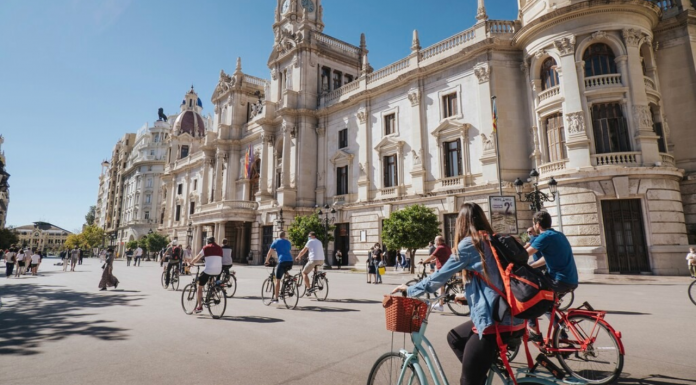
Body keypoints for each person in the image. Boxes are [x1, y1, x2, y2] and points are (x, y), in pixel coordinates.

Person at [392, 203, 524, 385]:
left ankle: (477, 374)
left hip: (494, 323)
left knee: (468, 381)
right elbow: (495, 279)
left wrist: (409, 289)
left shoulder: (470, 244)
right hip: (514, 316)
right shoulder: (494, 239)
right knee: (454, 337)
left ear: (461, 223)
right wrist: (469, 297)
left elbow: (439, 277)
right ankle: (481, 368)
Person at [525, 211, 579, 337]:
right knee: (547, 306)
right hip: (571, 279)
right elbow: (547, 258)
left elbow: (525, 254)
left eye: (533, 224)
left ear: (537, 224)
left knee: (530, 294)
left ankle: (532, 327)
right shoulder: (559, 235)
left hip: (558, 280)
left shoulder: (544, 237)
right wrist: (531, 266)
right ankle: (561, 336)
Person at [189, 237, 223, 313]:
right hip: (218, 270)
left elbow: (197, 257)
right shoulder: (220, 248)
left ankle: (199, 307)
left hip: (209, 270)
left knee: (199, 286)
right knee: (211, 280)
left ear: (208, 242)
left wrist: (191, 263)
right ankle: (212, 292)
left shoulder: (206, 248)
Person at [421, 235, 453, 311]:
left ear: (439, 241)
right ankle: (440, 303)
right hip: (447, 268)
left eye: (435, 241)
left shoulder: (439, 247)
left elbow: (431, 256)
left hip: (441, 269)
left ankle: (440, 305)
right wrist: (433, 261)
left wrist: (424, 261)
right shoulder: (447, 247)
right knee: (441, 287)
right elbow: (443, 257)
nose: (435, 242)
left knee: (440, 286)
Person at [265, 231, 293, 303]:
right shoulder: (288, 242)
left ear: (278, 235)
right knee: (284, 269)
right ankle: (289, 278)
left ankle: (276, 298)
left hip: (282, 261)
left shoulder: (276, 241)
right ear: (284, 236)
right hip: (290, 261)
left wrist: (267, 261)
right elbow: (288, 250)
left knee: (277, 280)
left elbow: (269, 252)